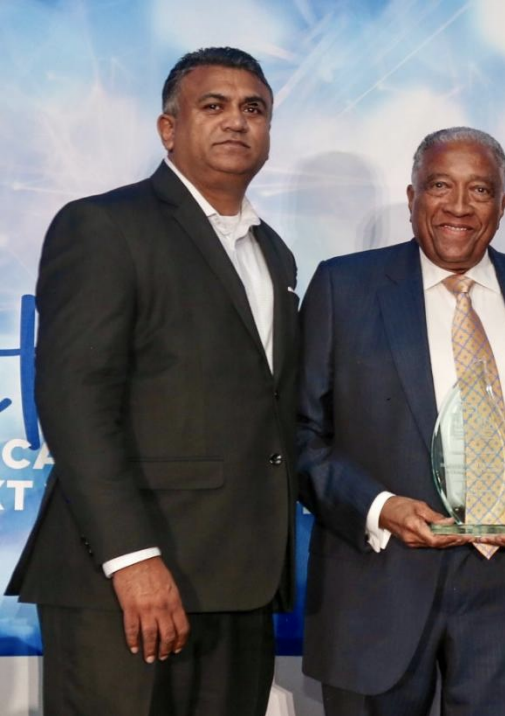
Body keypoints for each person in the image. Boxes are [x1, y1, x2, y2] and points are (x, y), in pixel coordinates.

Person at [4, 47, 297, 715]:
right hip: (126, 587)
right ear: (169, 129)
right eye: (212, 106)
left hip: (240, 587)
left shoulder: (272, 251)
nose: (236, 122)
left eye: (254, 109)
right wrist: (131, 560)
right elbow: (75, 402)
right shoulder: (105, 225)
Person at [296, 126, 505, 716]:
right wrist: (382, 507)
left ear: (502, 206)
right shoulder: (344, 287)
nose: (458, 207)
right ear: (412, 196)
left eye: (480, 190)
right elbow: (302, 436)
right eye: (440, 185)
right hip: (378, 585)